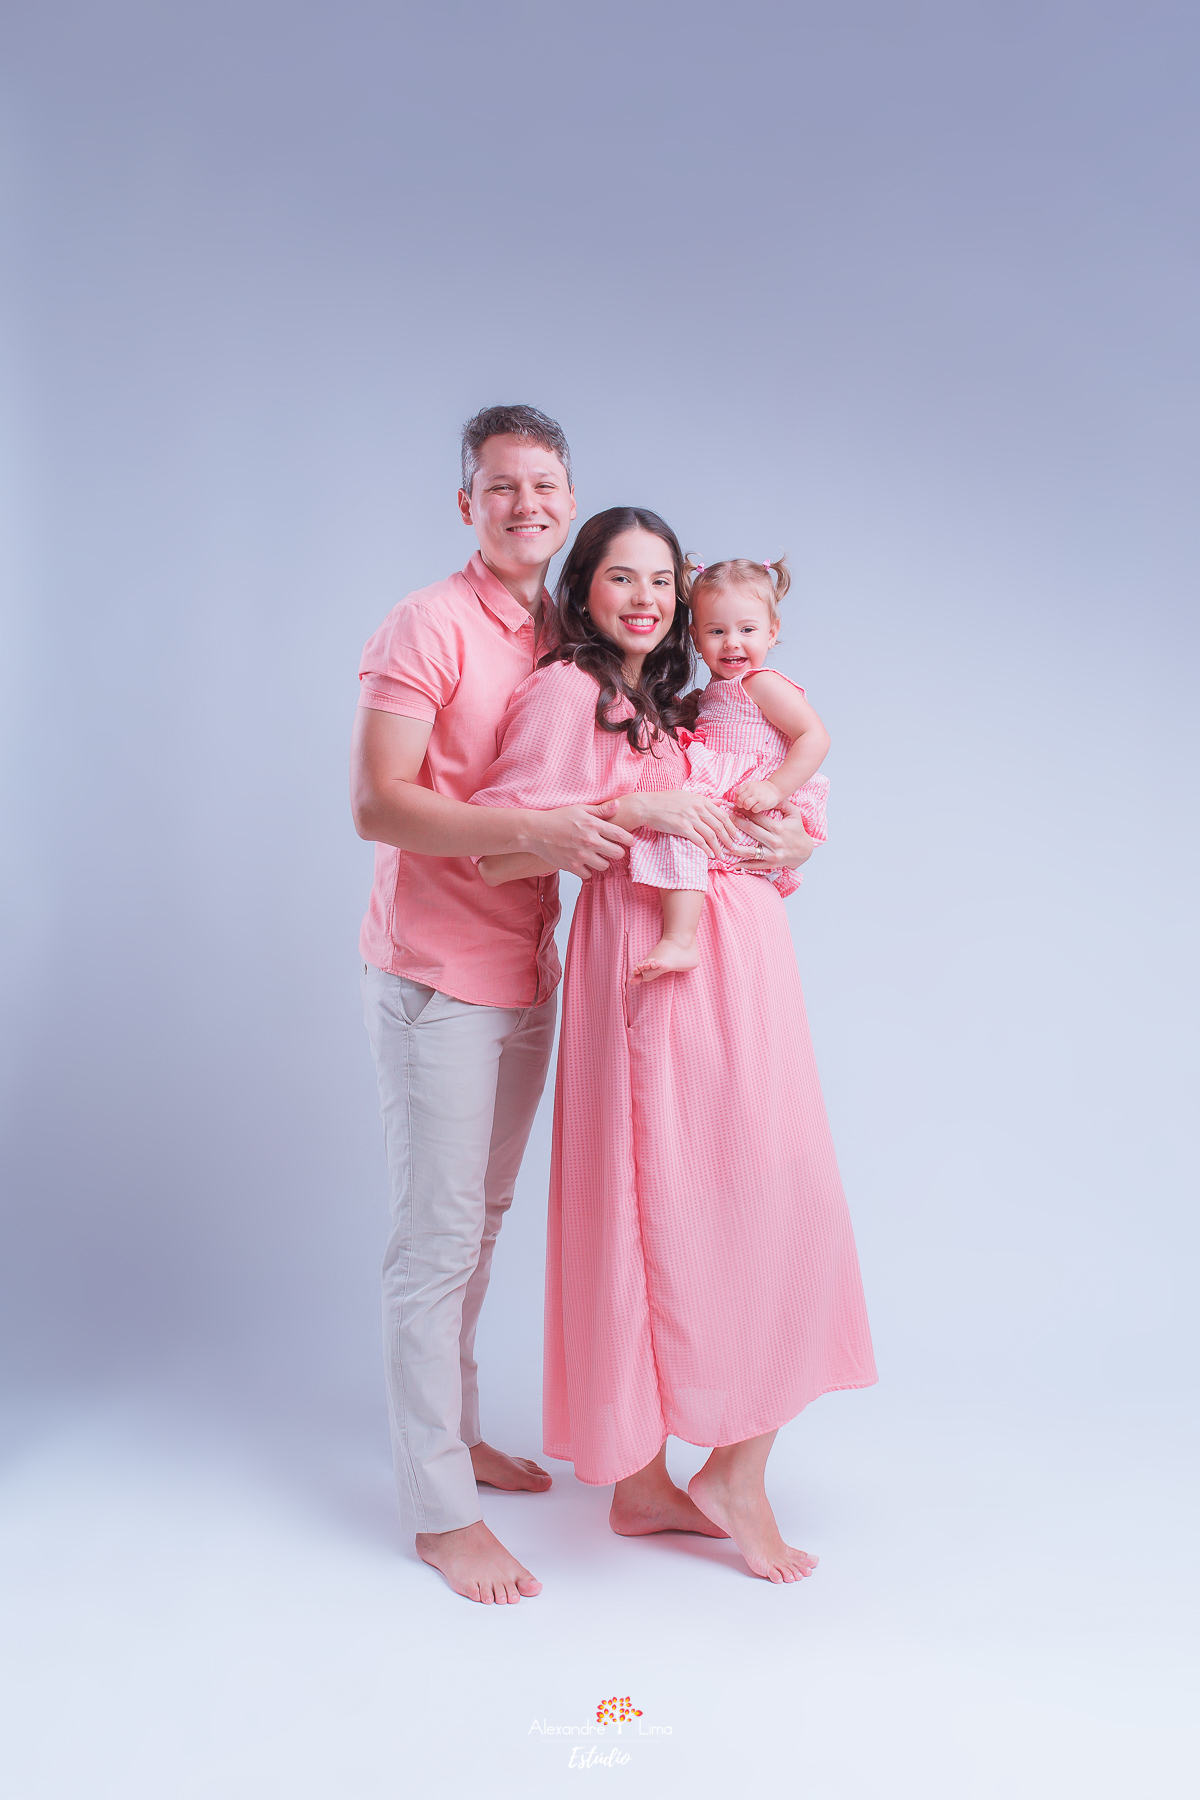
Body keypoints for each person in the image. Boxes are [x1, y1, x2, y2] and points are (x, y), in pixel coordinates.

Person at [350, 412, 793, 1605]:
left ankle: (463, 1438)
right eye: (501, 487)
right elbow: (379, 807)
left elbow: (653, 789)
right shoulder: (432, 625)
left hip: (531, 962)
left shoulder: (562, 634)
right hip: (437, 965)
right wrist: (580, 826)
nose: (525, 505)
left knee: (482, 1221)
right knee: (438, 1241)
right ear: (469, 504)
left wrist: (769, 829)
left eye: (544, 485)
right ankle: (440, 1514)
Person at [472, 507, 877, 1583]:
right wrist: (636, 806)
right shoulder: (568, 689)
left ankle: (656, 1482)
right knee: (682, 1199)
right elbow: (501, 854)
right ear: (583, 589)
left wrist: (785, 840)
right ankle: (710, 1476)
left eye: (662, 581)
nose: (647, 599)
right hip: (661, 968)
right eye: (623, 578)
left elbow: (753, 799)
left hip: (726, 954)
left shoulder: (668, 694)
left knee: (731, 1194)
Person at [629, 554, 833, 983]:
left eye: (747, 630)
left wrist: (775, 788)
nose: (732, 644)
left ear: (772, 631)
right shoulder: (712, 692)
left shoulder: (762, 683)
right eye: (717, 631)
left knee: (685, 828)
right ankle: (683, 935)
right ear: (695, 637)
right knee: (681, 827)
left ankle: (680, 939)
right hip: (734, 797)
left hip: (755, 800)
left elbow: (814, 736)